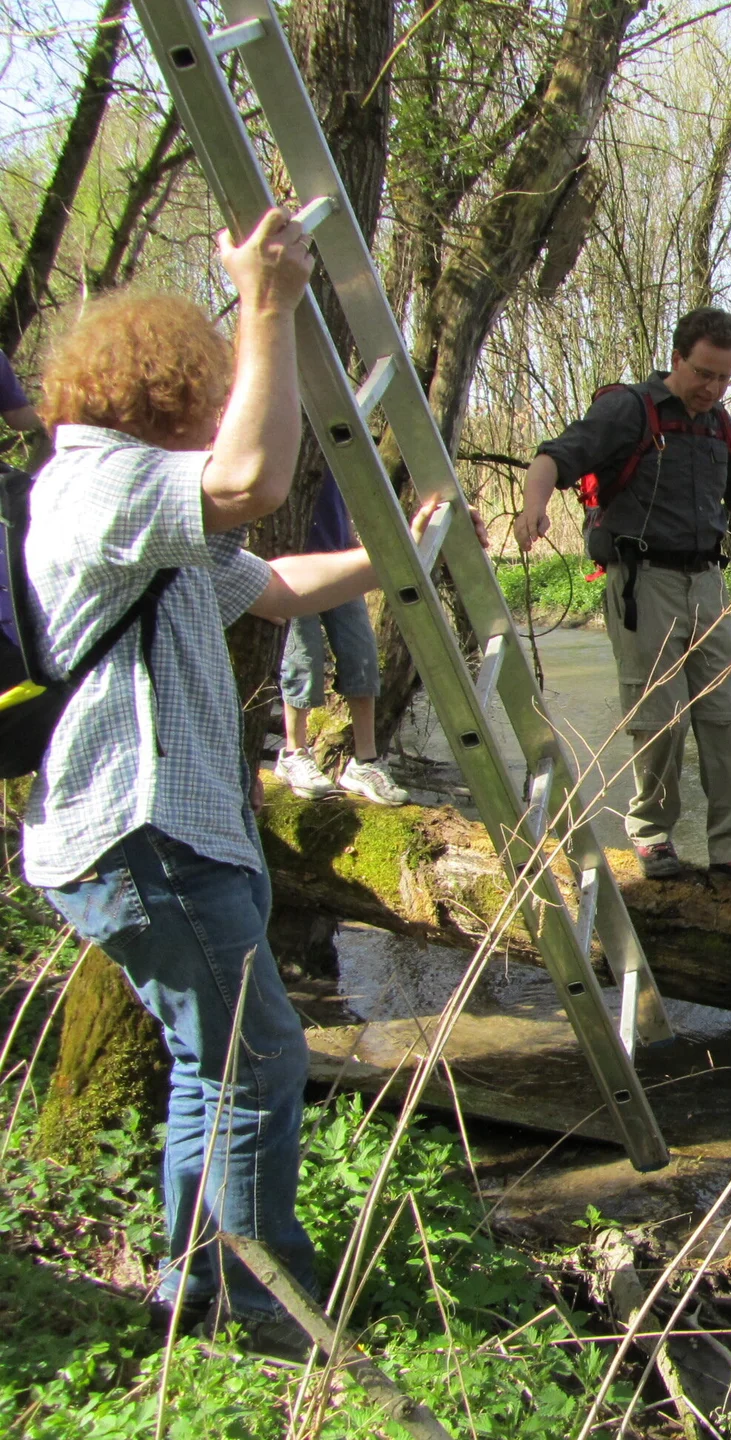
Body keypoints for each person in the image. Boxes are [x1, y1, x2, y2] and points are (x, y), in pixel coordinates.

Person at [22, 209, 482, 1348]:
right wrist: (267, 304)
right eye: (207, 389)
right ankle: (265, 1312)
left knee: (214, 1064)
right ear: (167, 395)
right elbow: (249, 483)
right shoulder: (97, 487)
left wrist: (399, 552)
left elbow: (273, 585)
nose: (218, 405)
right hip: (143, 836)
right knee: (258, 1057)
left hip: (163, 837)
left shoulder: (145, 516)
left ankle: (199, 1290)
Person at [512, 307, 731, 895]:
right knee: (659, 719)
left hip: (707, 582)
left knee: (725, 719)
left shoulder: (718, 424)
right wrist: (534, 506)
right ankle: (652, 834)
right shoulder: (630, 410)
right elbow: (552, 457)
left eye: (724, 378)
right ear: (678, 358)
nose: (713, 388)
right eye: (704, 374)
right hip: (644, 582)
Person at [272, 468, 408, 805]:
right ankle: (293, 754)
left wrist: (350, 541)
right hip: (292, 567)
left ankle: (364, 763)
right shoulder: (288, 448)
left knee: (362, 657)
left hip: (337, 561)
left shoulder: (330, 448)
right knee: (302, 659)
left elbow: (337, 503)